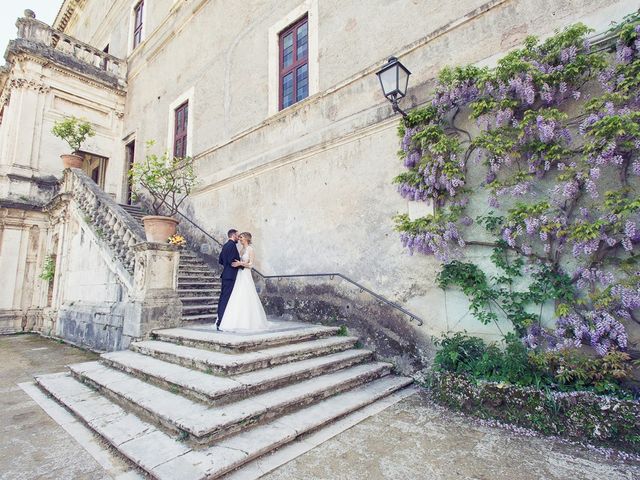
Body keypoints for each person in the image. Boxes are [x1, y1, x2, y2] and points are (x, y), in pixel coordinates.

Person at [221, 232, 270, 331]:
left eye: (241, 237)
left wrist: (240, 263)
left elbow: (251, 265)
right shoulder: (242, 249)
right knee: (237, 295)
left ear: (247, 239)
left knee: (246, 294)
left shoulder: (250, 249)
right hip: (239, 274)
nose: (239, 239)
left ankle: (249, 321)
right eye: (239, 237)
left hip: (246, 274)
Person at [217, 229, 241, 330]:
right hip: (230, 276)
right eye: (237, 236)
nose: (238, 238)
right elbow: (232, 261)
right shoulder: (232, 245)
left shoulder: (225, 245)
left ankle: (221, 319)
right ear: (233, 235)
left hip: (226, 274)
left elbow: (221, 260)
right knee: (226, 298)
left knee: (223, 297)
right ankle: (222, 321)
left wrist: (227, 266)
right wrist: (241, 265)